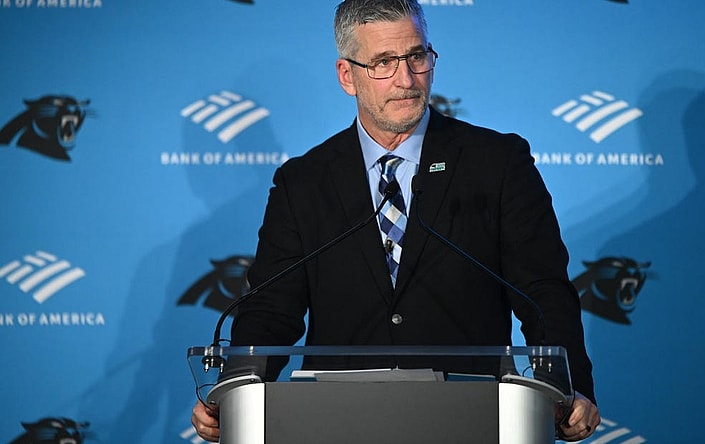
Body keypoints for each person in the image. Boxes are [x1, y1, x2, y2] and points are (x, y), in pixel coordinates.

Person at [192, 0, 600, 441]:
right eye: (384, 62)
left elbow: (543, 291)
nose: (406, 80)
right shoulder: (304, 182)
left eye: (417, 57)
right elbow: (270, 311)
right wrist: (233, 389)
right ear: (347, 75)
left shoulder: (497, 164)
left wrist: (568, 386)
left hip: (468, 418)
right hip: (334, 422)